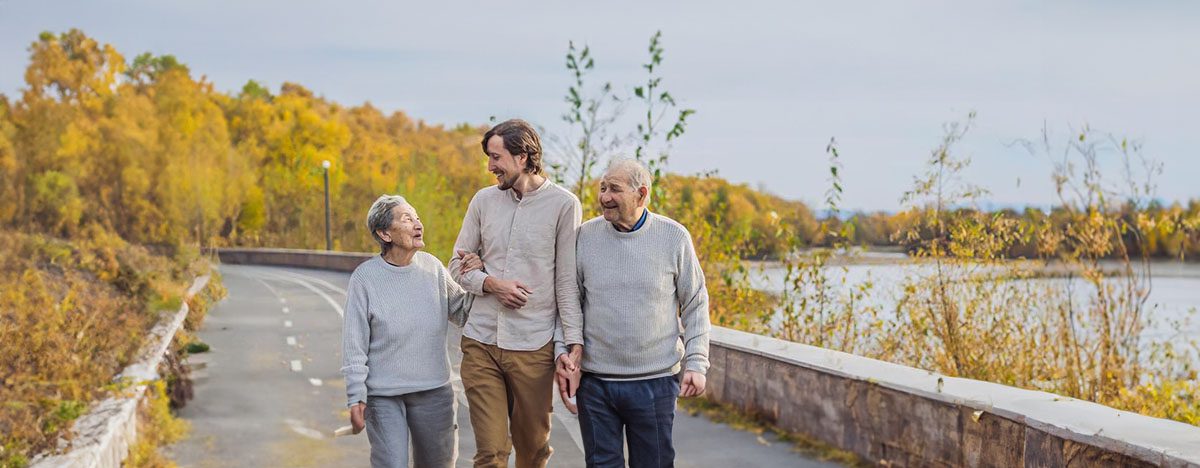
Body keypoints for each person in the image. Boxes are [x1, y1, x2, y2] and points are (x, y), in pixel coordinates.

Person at [558, 158, 712, 468]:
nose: (604, 197)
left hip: (655, 383)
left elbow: (695, 303)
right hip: (596, 383)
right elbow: (568, 300)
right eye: (602, 188)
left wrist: (697, 362)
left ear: (641, 195)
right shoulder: (584, 236)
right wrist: (564, 351)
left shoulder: (673, 237)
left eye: (614, 189)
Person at [448, 119, 584, 468]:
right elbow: (455, 266)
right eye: (489, 157)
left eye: (496, 157)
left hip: (533, 348)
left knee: (533, 450)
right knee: (491, 452)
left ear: (523, 156)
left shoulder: (564, 205)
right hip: (481, 342)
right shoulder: (482, 202)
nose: (490, 166)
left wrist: (572, 345)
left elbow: (567, 283)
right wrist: (491, 283)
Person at [341, 195, 472, 468]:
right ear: (384, 233)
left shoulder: (433, 268)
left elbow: (463, 312)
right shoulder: (365, 279)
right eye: (407, 218)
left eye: (417, 217)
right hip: (383, 395)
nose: (417, 224)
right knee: (392, 464)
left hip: (434, 390)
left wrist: (478, 278)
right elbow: (354, 346)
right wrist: (356, 396)